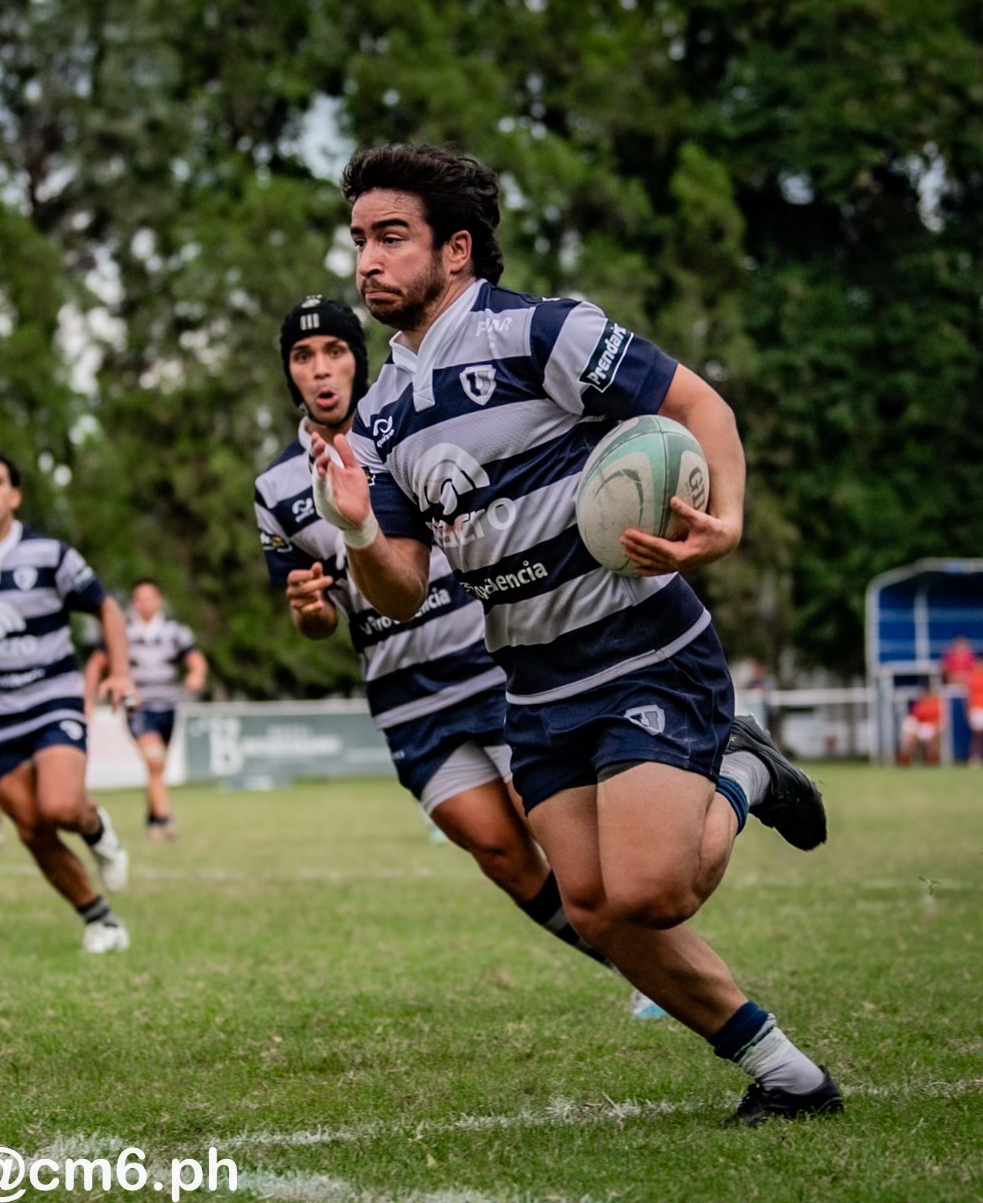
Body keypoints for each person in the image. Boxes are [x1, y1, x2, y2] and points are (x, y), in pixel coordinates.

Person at [314, 143, 839, 1125]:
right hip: (535, 685)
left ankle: (745, 773)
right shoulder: (379, 413)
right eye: (359, 241)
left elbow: (697, 402)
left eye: (392, 238)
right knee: (594, 910)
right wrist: (353, 526)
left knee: (651, 892)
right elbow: (399, 589)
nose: (367, 262)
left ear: (456, 250)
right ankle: (789, 1074)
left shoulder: (540, 333)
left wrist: (727, 517)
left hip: (643, 648)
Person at [256, 294, 665, 1018]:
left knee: (560, 833)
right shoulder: (275, 490)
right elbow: (316, 619)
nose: (321, 369)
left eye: (335, 351)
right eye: (303, 356)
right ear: (289, 373)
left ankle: (655, 973)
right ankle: (627, 965)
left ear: (358, 358)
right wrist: (311, 612)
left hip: (487, 667)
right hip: (406, 703)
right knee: (504, 859)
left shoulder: (410, 426)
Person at [0, 450, 133, 952]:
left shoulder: (50, 554)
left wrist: (120, 673)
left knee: (59, 806)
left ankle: (97, 828)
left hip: (53, 698)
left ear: (14, 496)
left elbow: (106, 608)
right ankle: (100, 920)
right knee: (32, 828)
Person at [87, 580, 205, 840]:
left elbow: (196, 661)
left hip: (168, 705)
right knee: (153, 761)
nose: (146, 603)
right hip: (137, 706)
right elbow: (97, 663)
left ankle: (152, 817)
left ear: (159, 600)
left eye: (151, 597)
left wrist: (196, 675)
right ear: (134, 603)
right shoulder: (123, 632)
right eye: (140, 598)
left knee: (157, 768)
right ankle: (164, 821)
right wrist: (89, 700)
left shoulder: (175, 631)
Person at [898, 685, 942, 765]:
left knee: (930, 738)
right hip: (921, 727)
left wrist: (936, 729)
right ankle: (904, 759)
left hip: (931, 727)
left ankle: (931, 760)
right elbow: (915, 718)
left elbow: (940, 720)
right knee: (908, 737)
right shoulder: (920, 704)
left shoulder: (937, 704)